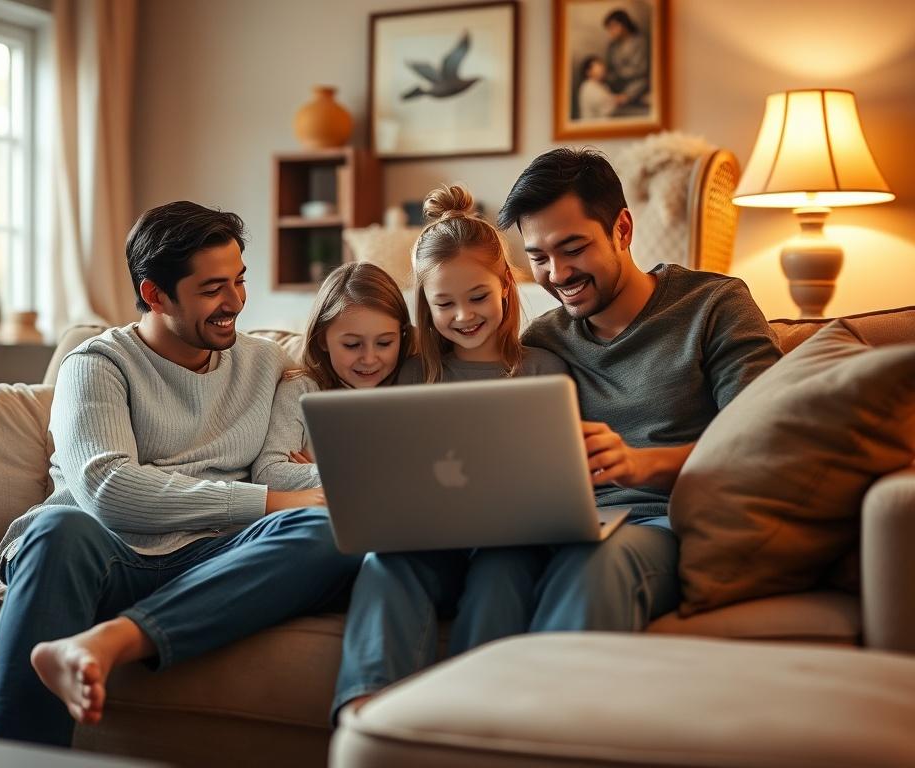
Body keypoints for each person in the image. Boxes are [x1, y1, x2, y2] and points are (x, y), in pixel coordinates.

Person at [0, 201, 362, 746]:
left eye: (239, 281)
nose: (235, 302)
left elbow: (361, 354)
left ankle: (111, 642)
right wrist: (271, 501)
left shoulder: (265, 363)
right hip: (107, 553)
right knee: (54, 531)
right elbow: (109, 490)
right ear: (155, 294)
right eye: (212, 289)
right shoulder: (98, 366)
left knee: (329, 532)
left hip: (215, 559)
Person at [448, 147, 780, 640]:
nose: (557, 274)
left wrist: (639, 464)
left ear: (622, 229)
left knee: (597, 561)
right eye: (538, 257)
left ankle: (553, 714)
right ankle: (459, 713)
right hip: (563, 526)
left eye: (573, 248)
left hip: (663, 524)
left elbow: (761, 446)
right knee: (497, 567)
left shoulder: (714, 306)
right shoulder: (542, 341)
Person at [332, 185, 567, 720]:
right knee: (386, 562)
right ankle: (366, 712)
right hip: (428, 544)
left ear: (507, 286)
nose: (463, 315)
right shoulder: (408, 375)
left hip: (511, 545)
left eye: (478, 296)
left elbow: (560, 475)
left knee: (502, 573)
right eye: (444, 303)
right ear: (425, 304)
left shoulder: (543, 369)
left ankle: (467, 719)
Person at [252, 261, 415, 490]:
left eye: (385, 343)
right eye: (352, 344)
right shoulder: (301, 389)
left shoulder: (412, 383)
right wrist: (334, 473)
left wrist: (326, 470)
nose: (369, 358)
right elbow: (269, 473)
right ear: (322, 339)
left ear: (402, 335)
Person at [603, 9, 650, 115]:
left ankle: (625, 98)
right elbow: (610, 67)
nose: (611, 31)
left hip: (636, 82)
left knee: (641, 83)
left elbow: (640, 69)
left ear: (623, 25)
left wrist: (619, 73)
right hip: (617, 83)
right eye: (609, 28)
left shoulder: (639, 41)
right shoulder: (612, 46)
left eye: (613, 27)